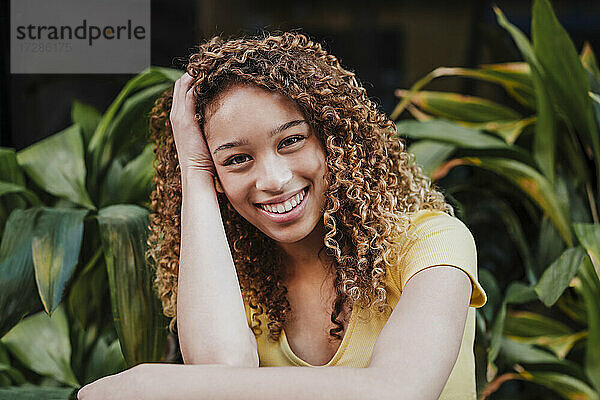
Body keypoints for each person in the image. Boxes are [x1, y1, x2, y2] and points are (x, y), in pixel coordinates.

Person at [77, 31, 487, 400]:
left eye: (291, 140)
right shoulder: (239, 273)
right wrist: (197, 173)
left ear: (332, 136)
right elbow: (220, 379)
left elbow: (399, 391)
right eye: (237, 159)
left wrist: (161, 384)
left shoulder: (433, 244)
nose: (273, 179)